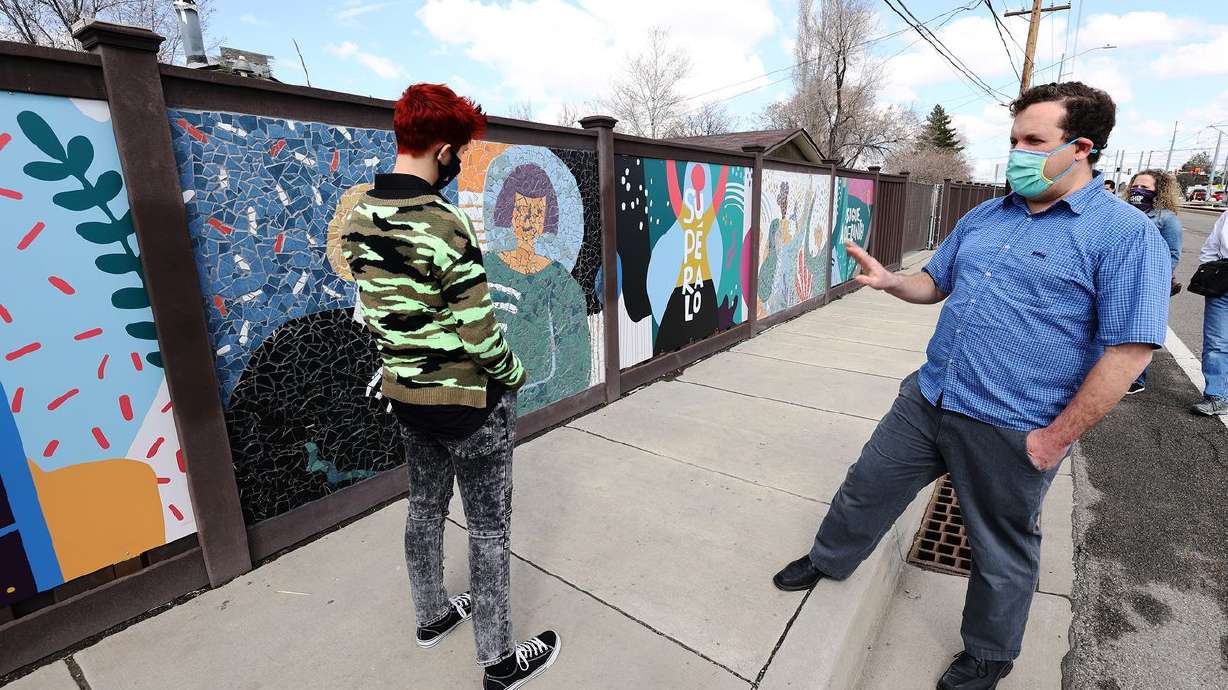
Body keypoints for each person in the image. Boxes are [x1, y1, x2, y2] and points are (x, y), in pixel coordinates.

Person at [772, 82, 1168, 690]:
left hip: (1015, 426)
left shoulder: (1125, 236)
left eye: (1033, 141)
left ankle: (989, 653)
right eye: (1013, 140)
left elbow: (1128, 353)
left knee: (999, 551)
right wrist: (892, 281)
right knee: (866, 486)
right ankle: (829, 559)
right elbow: (936, 283)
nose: (1017, 153)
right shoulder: (988, 214)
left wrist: (1053, 441)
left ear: (1082, 147)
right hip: (929, 398)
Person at [340, 83, 560, 690]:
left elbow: (377, 312)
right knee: (489, 529)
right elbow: (479, 332)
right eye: (457, 151)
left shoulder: (360, 217)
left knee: (424, 507)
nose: (458, 161)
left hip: (407, 398)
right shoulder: (445, 223)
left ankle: (432, 613)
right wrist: (514, 376)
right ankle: (497, 661)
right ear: (442, 150)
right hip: (469, 405)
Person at [1124, 169, 1184, 394]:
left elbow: (1172, 254)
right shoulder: (1123, 212)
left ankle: (1136, 378)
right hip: (1120, 278)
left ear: (1159, 191)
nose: (1138, 191)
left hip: (1147, 283)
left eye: (1146, 188)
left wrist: (1154, 279)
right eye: (1135, 186)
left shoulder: (1166, 218)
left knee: (1139, 330)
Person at [1192, 209, 1228, 416]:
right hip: (1223, 282)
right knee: (1216, 342)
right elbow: (1211, 246)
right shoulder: (1226, 215)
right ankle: (1216, 396)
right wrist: (1214, 272)